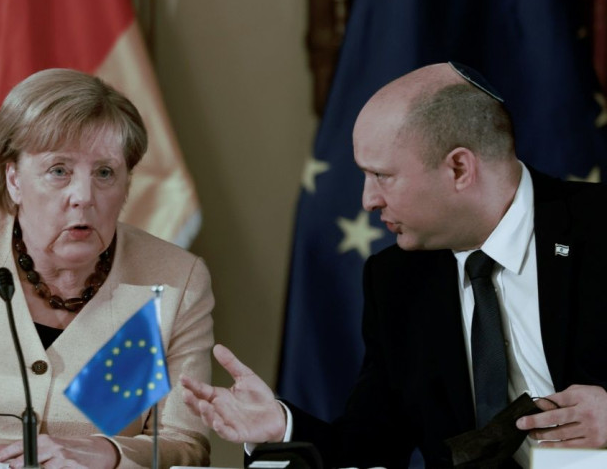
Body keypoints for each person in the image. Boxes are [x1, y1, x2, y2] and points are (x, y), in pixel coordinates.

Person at [180, 63, 607, 468]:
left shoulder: (596, 228)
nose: (368, 200)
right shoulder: (397, 280)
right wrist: (280, 425)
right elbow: (371, 446)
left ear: (459, 167)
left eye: (382, 176)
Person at [0, 68, 214, 469]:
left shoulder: (176, 281)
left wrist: (111, 453)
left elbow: (185, 446)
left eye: (105, 173)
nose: (83, 197)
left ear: (126, 185)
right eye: (59, 171)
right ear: (13, 179)